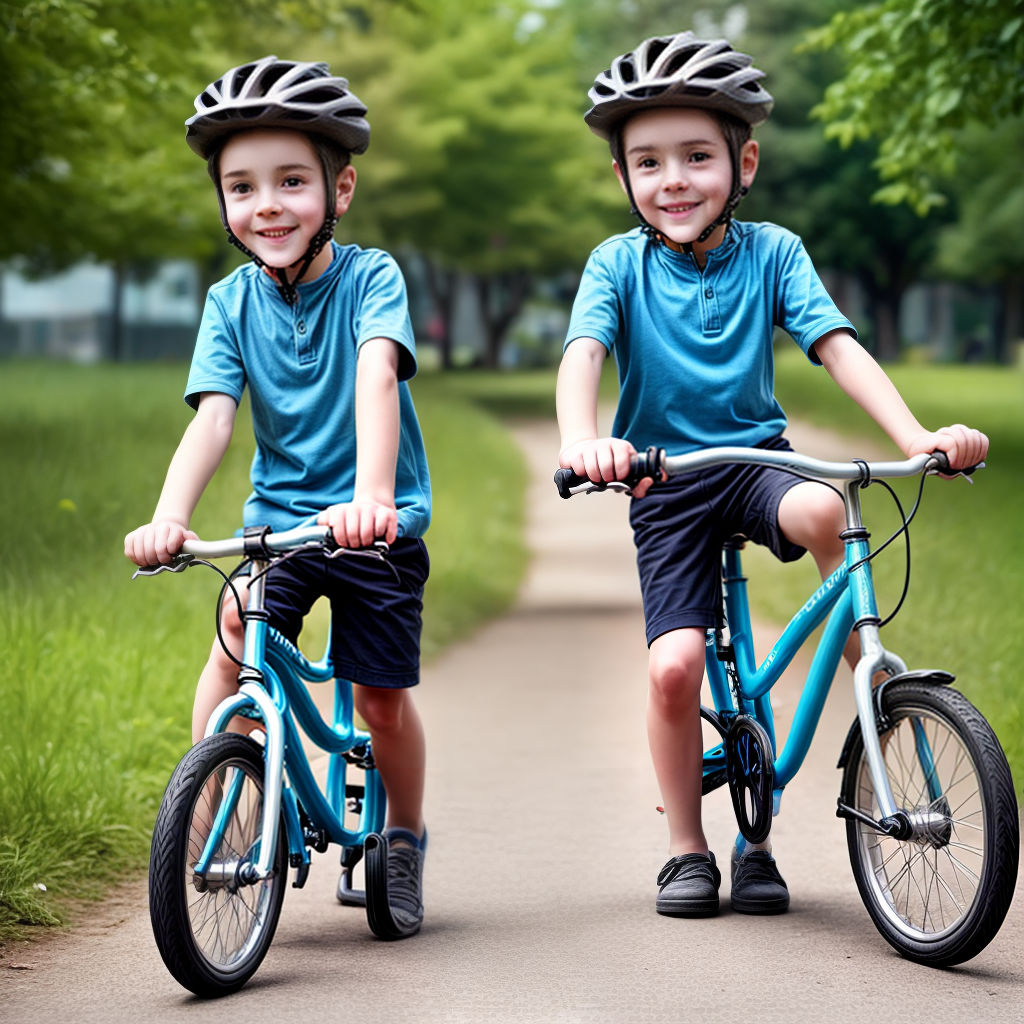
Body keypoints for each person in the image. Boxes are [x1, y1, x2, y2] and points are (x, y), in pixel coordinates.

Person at [556, 32, 988, 918]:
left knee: (830, 510)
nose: (673, 179)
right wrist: (581, 438)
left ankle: (864, 662)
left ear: (742, 162)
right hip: (664, 479)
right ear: (623, 178)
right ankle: (689, 847)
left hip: (756, 461)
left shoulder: (775, 253)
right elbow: (583, 353)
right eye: (648, 162)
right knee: (676, 667)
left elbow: (837, 347)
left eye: (696, 158)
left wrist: (918, 433)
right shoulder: (617, 264)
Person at [124, 56, 431, 938]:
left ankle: (401, 837)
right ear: (222, 201)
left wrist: (374, 495)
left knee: (378, 701)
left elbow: (378, 378)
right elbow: (214, 422)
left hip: (376, 527)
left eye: (291, 181)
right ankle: (220, 798)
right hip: (280, 530)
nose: (268, 205)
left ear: (340, 188)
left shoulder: (374, 279)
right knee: (232, 639)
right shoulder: (228, 304)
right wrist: (170, 516)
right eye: (243, 186)